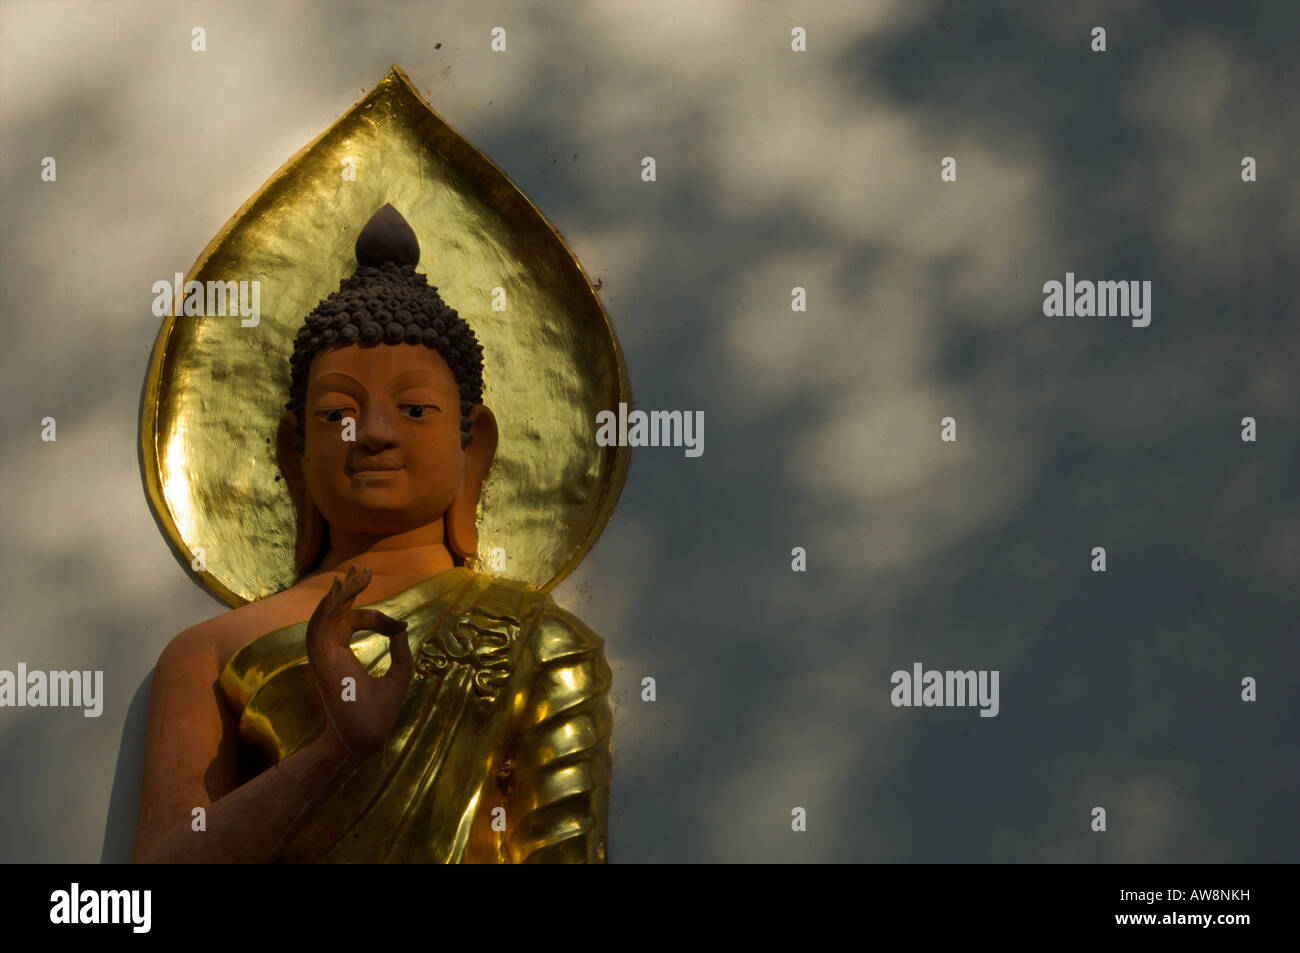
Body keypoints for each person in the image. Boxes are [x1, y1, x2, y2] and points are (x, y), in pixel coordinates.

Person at [132, 205, 611, 863]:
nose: (376, 433)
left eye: (415, 410)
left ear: (474, 448)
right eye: (338, 413)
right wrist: (336, 753)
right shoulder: (207, 657)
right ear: (294, 450)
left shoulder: (537, 643)